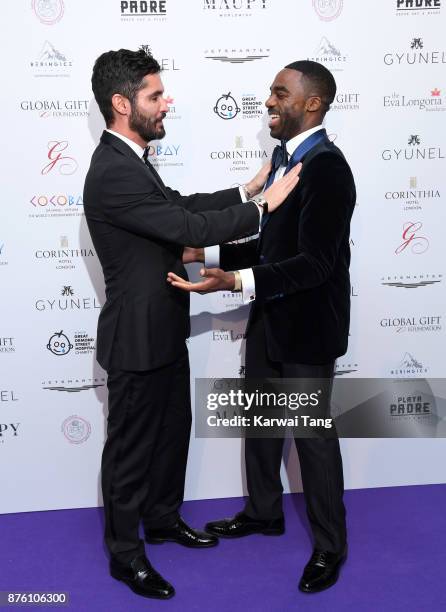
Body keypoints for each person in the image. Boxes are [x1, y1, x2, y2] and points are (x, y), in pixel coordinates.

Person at [83, 48, 300, 600]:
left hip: (164, 330)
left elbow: (181, 203)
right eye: (155, 95)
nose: (166, 102)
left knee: (171, 435)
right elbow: (184, 223)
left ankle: (161, 520)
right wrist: (263, 207)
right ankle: (125, 555)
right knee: (131, 451)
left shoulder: (132, 160)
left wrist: (246, 189)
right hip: (134, 339)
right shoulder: (111, 170)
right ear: (121, 103)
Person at [168, 60, 356, 594]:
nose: (269, 102)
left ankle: (329, 546)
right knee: (262, 425)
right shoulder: (282, 159)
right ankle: (264, 513)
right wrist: (200, 251)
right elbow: (268, 242)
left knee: (312, 440)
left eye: (280, 93)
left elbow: (316, 264)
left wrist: (234, 281)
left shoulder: (327, 169)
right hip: (270, 316)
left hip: (308, 327)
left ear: (311, 104)